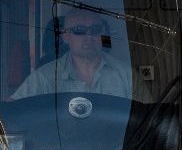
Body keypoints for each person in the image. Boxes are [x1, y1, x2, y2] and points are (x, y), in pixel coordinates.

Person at [10, 9, 140, 101]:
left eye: (95, 29)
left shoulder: (127, 76)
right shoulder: (43, 77)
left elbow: (148, 120)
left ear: (103, 33)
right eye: (79, 30)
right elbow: (13, 112)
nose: (89, 36)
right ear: (65, 36)